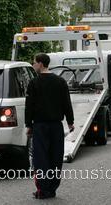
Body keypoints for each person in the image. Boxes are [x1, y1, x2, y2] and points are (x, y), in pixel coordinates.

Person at [25, 53, 74, 199]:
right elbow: (66, 102)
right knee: (55, 157)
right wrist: (70, 121)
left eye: (34, 63)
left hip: (40, 126)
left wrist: (29, 124)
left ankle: (43, 189)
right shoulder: (60, 82)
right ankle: (52, 188)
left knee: (41, 158)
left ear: (40, 64)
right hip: (56, 126)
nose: (33, 66)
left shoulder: (34, 83)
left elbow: (30, 106)